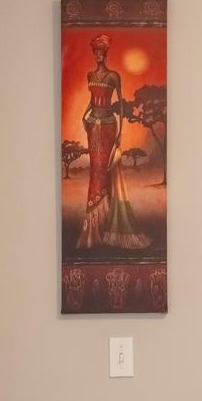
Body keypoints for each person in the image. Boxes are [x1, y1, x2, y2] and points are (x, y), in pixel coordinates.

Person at [77, 34, 150, 251]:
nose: (98, 55)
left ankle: (107, 224)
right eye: (96, 52)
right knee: (95, 172)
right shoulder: (90, 75)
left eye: (102, 52)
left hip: (109, 126)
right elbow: (92, 100)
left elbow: (118, 105)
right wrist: (84, 115)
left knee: (103, 170)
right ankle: (94, 228)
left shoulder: (113, 76)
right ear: (94, 54)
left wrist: (120, 135)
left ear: (106, 54)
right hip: (92, 125)